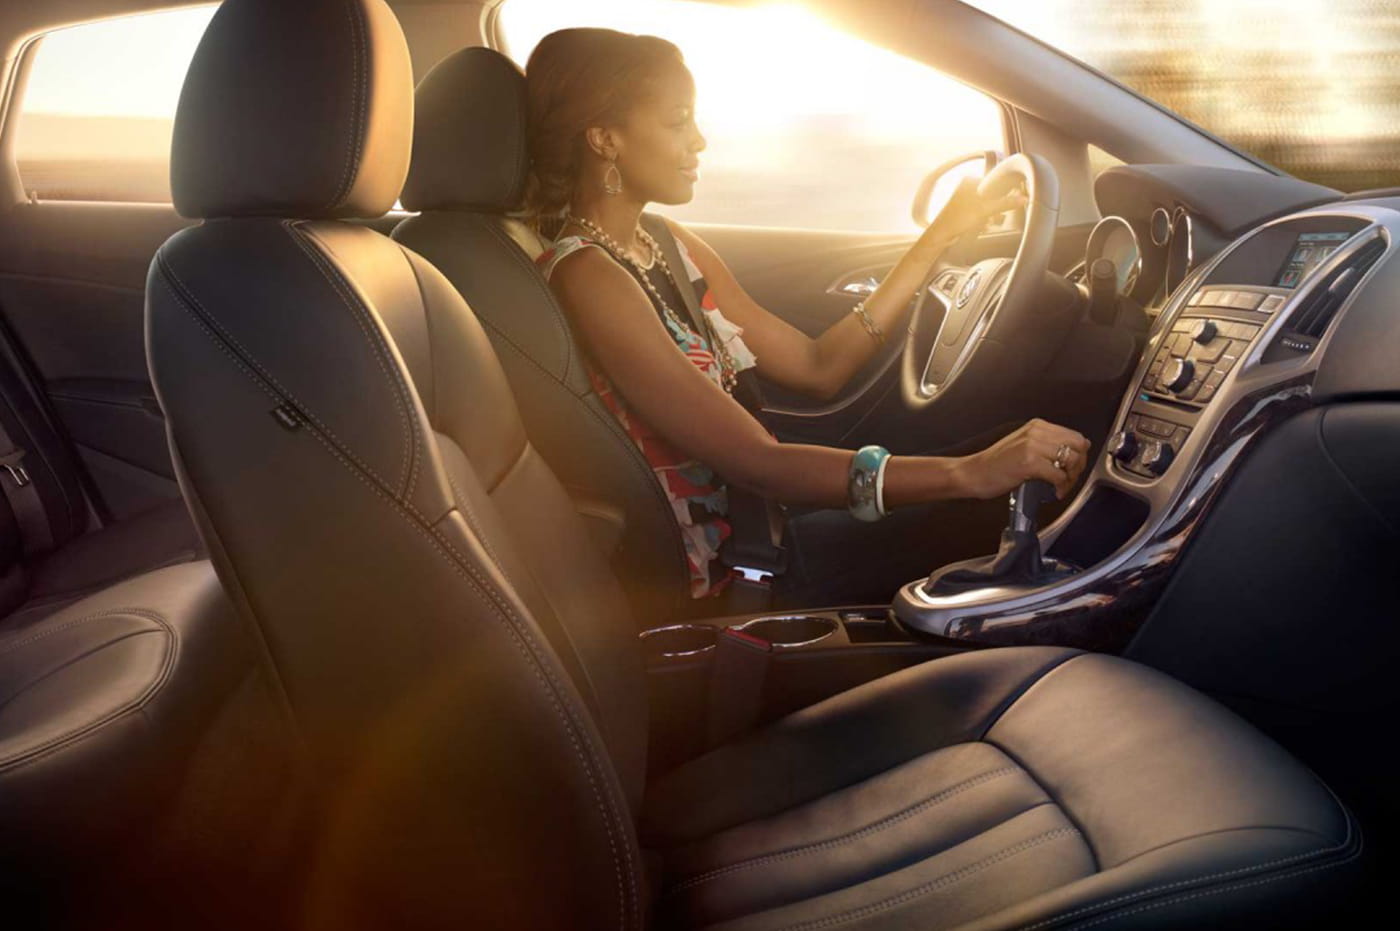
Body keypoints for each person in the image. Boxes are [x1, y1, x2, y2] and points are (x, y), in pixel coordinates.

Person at [524, 27, 1089, 605]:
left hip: (767, 521)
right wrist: (970, 473)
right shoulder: (588, 276)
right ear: (604, 138)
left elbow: (818, 367)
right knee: (1022, 486)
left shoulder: (668, 246)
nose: (699, 141)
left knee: (1029, 454)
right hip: (743, 567)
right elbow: (759, 464)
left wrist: (943, 235)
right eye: (677, 122)